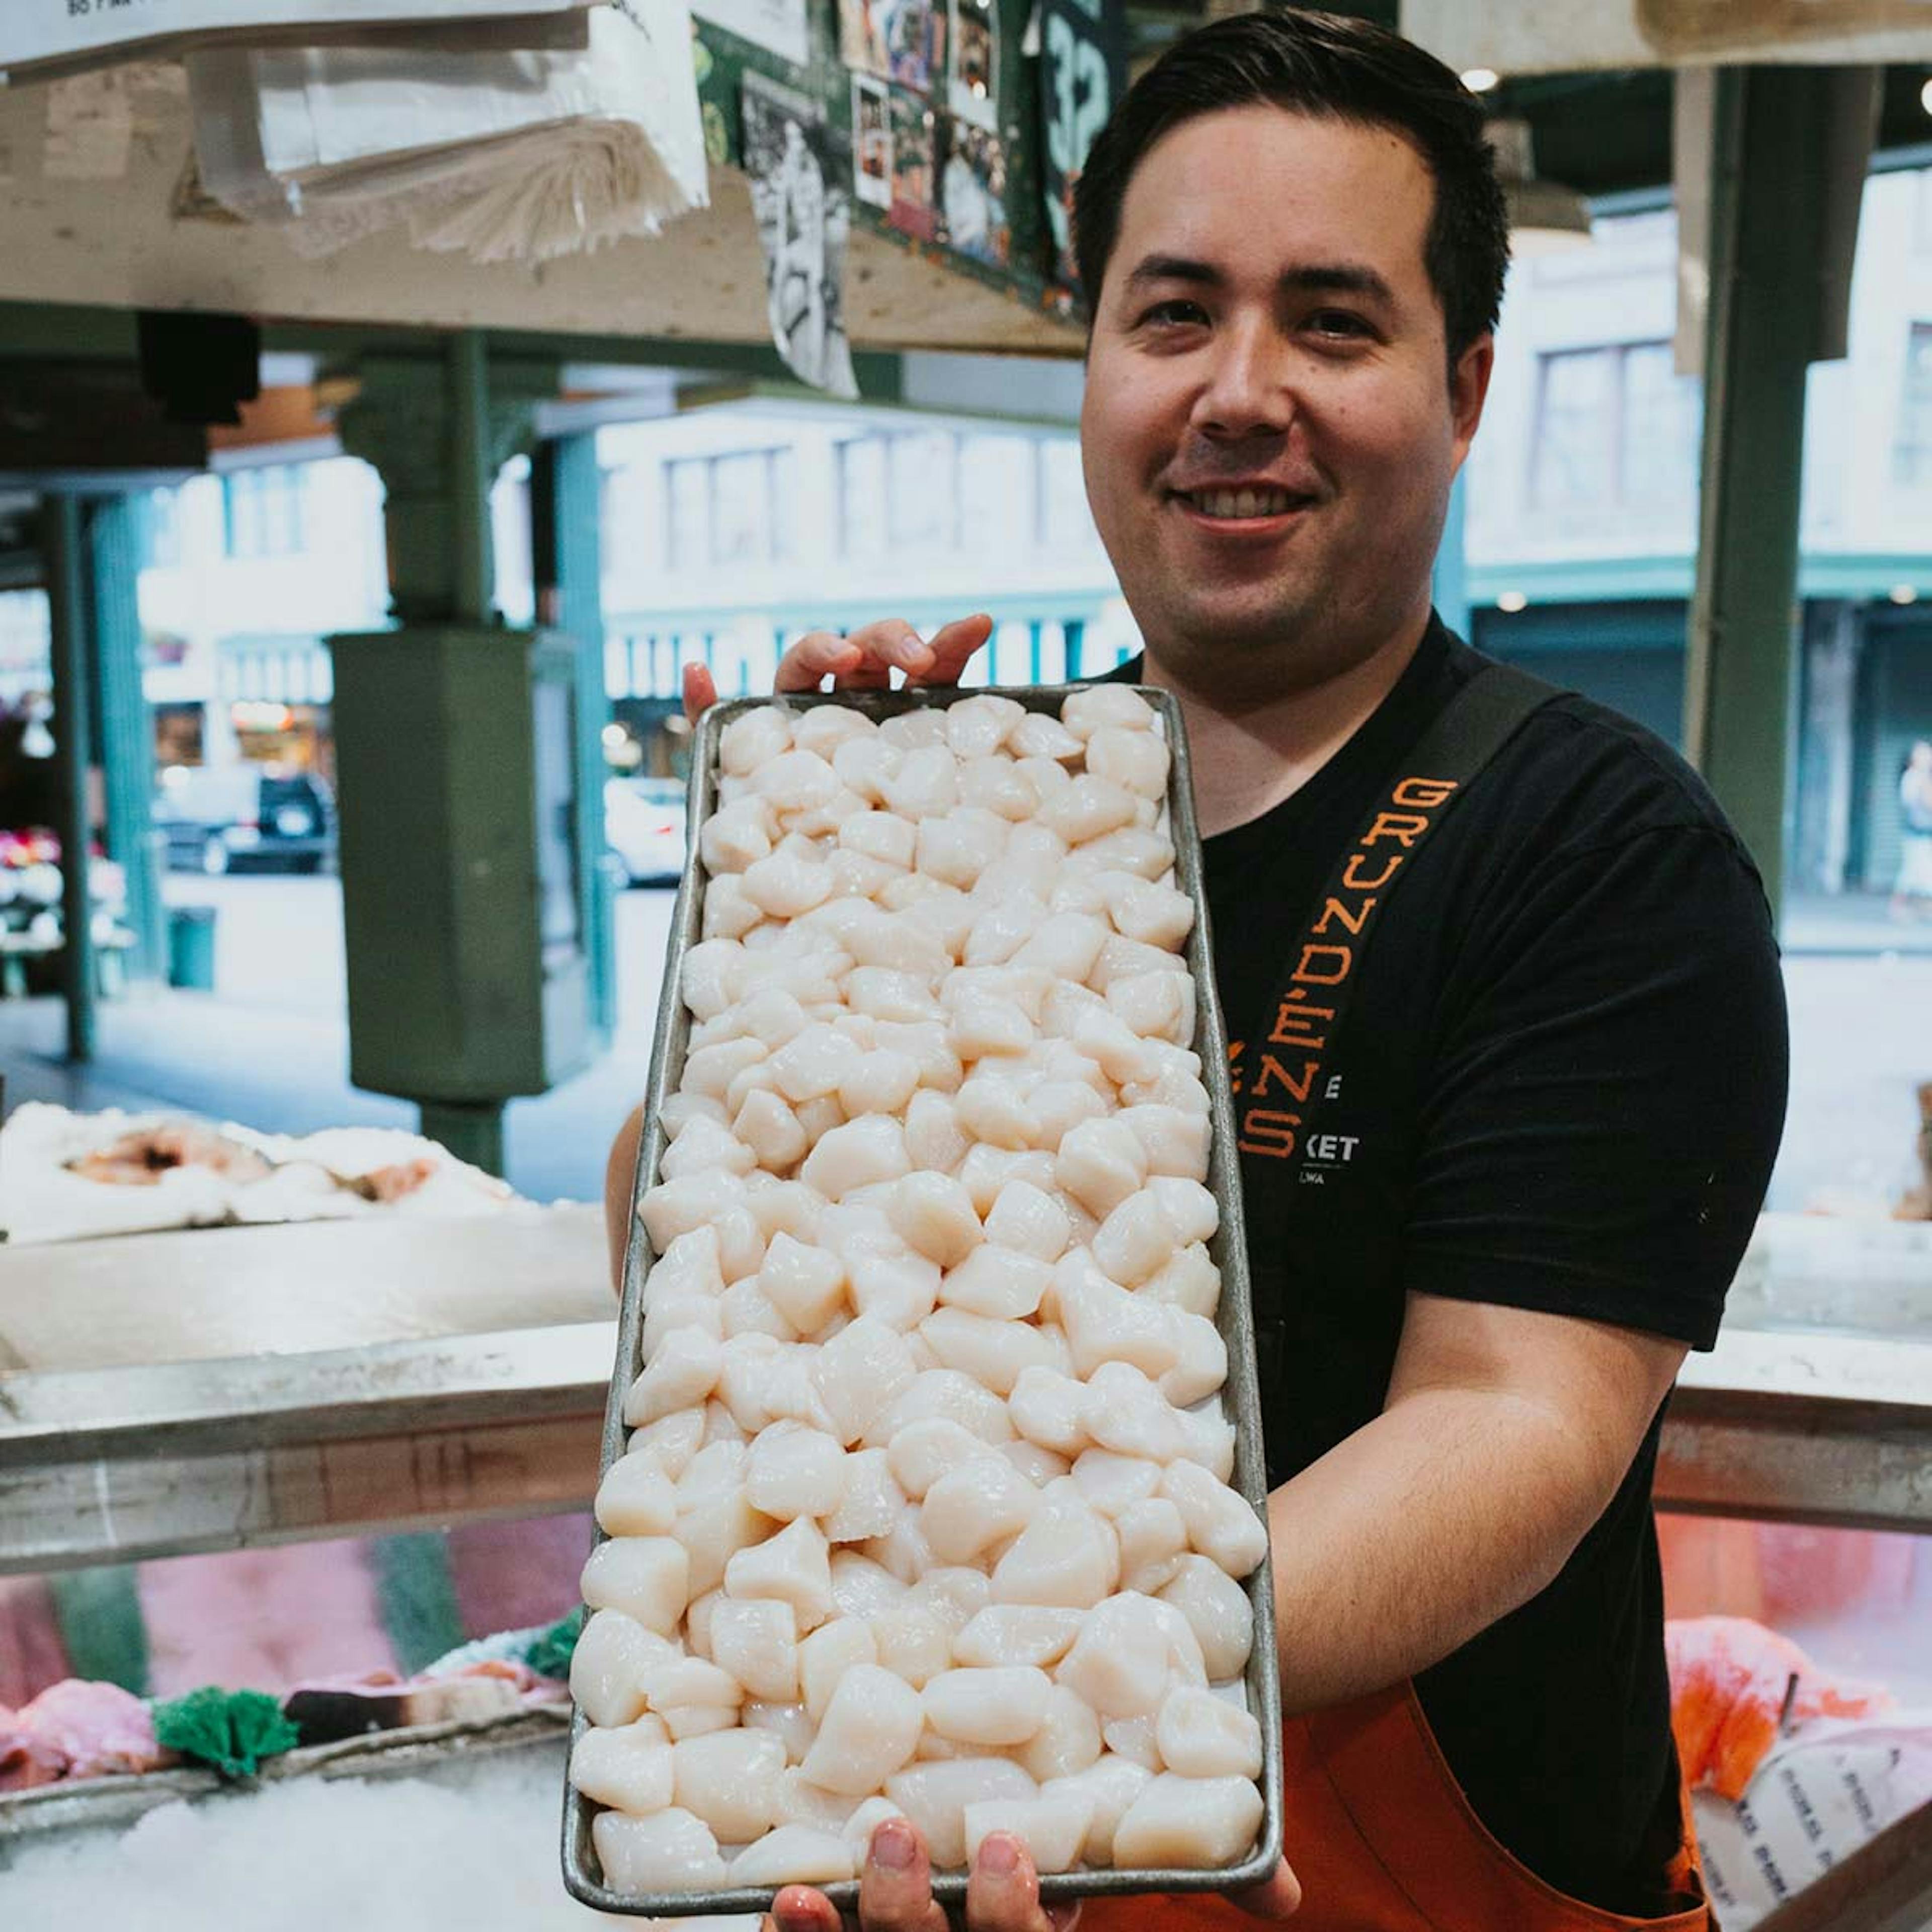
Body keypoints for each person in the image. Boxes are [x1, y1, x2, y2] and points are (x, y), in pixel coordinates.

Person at [608, 13, 1788, 1930]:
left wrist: (1047, 1683)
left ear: (1466, 386)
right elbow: (707, 1339)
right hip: (986, 1853)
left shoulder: (1594, 848)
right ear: (1093, 367)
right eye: (1173, 317)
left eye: (1333, 322)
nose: (1240, 392)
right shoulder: (970, 796)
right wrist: (767, 943)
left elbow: (1515, 1416)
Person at [1890, 738, 1932, 921]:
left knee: (1916, 872)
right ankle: (1898, 908)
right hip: (1918, 832)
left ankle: (1919, 909)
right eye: (1923, 753)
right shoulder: (1915, 777)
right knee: (1915, 873)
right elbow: (1927, 803)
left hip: (1921, 832)